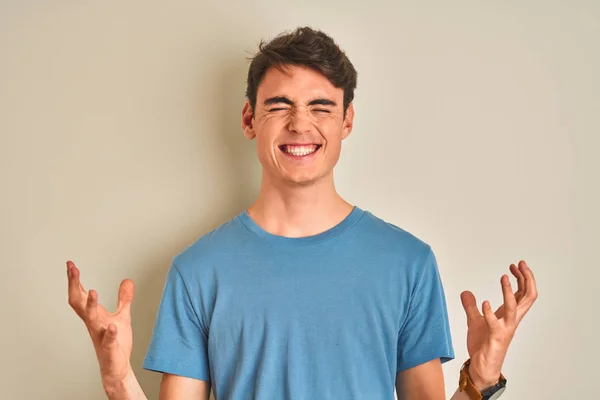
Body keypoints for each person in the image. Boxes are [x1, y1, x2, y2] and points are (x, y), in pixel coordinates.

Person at [66, 26, 538, 400]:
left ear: (346, 121)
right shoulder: (197, 272)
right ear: (250, 120)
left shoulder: (408, 263)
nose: (300, 124)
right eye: (279, 105)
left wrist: (482, 375)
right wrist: (117, 382)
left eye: (321, 107)